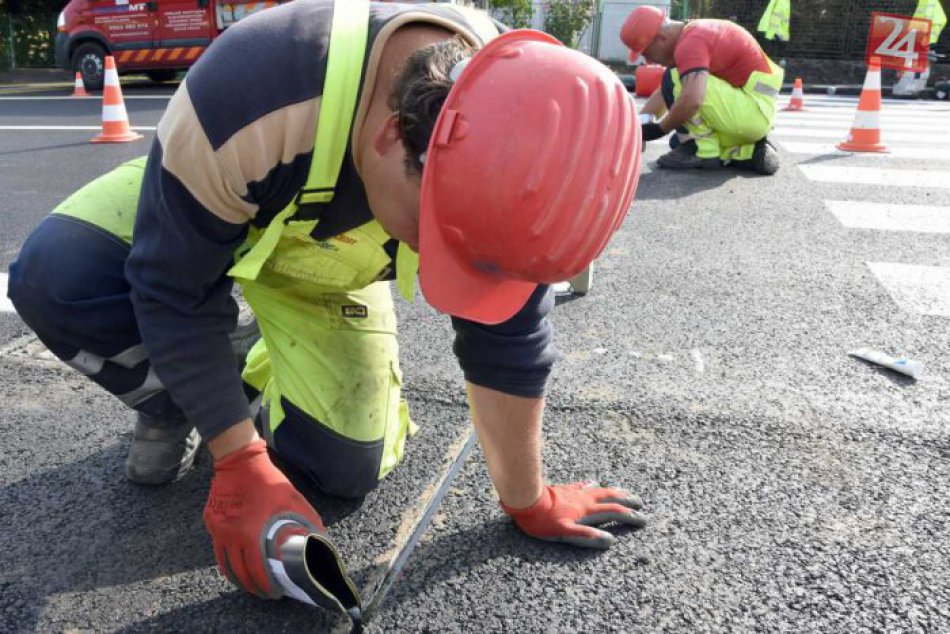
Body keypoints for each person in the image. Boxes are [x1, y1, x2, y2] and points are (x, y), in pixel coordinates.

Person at [7, 0, 647, 602]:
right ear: (391, 136)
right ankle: (187, 397)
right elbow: (169, 289)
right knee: (59, 273)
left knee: (341, 466)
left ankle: (245, 377)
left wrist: (528, 501)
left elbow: (509, 344)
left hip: (331, 268)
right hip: (213, 204)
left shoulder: (530, 143)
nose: (433, 259)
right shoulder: (250, 93)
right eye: (432, 234)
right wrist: (238, 458)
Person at [621, 5, 783, 174]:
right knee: (679, 140)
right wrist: (639, 127)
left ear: (662, 38)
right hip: (752, 113)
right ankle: (749, 150)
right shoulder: (695, 32)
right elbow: (664, 92)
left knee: (676, 88)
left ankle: (703, 152)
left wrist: (660, 129)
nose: (647, 60)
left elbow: (691, 100)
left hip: (749, 111)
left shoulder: (690, 44)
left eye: (646, 52)